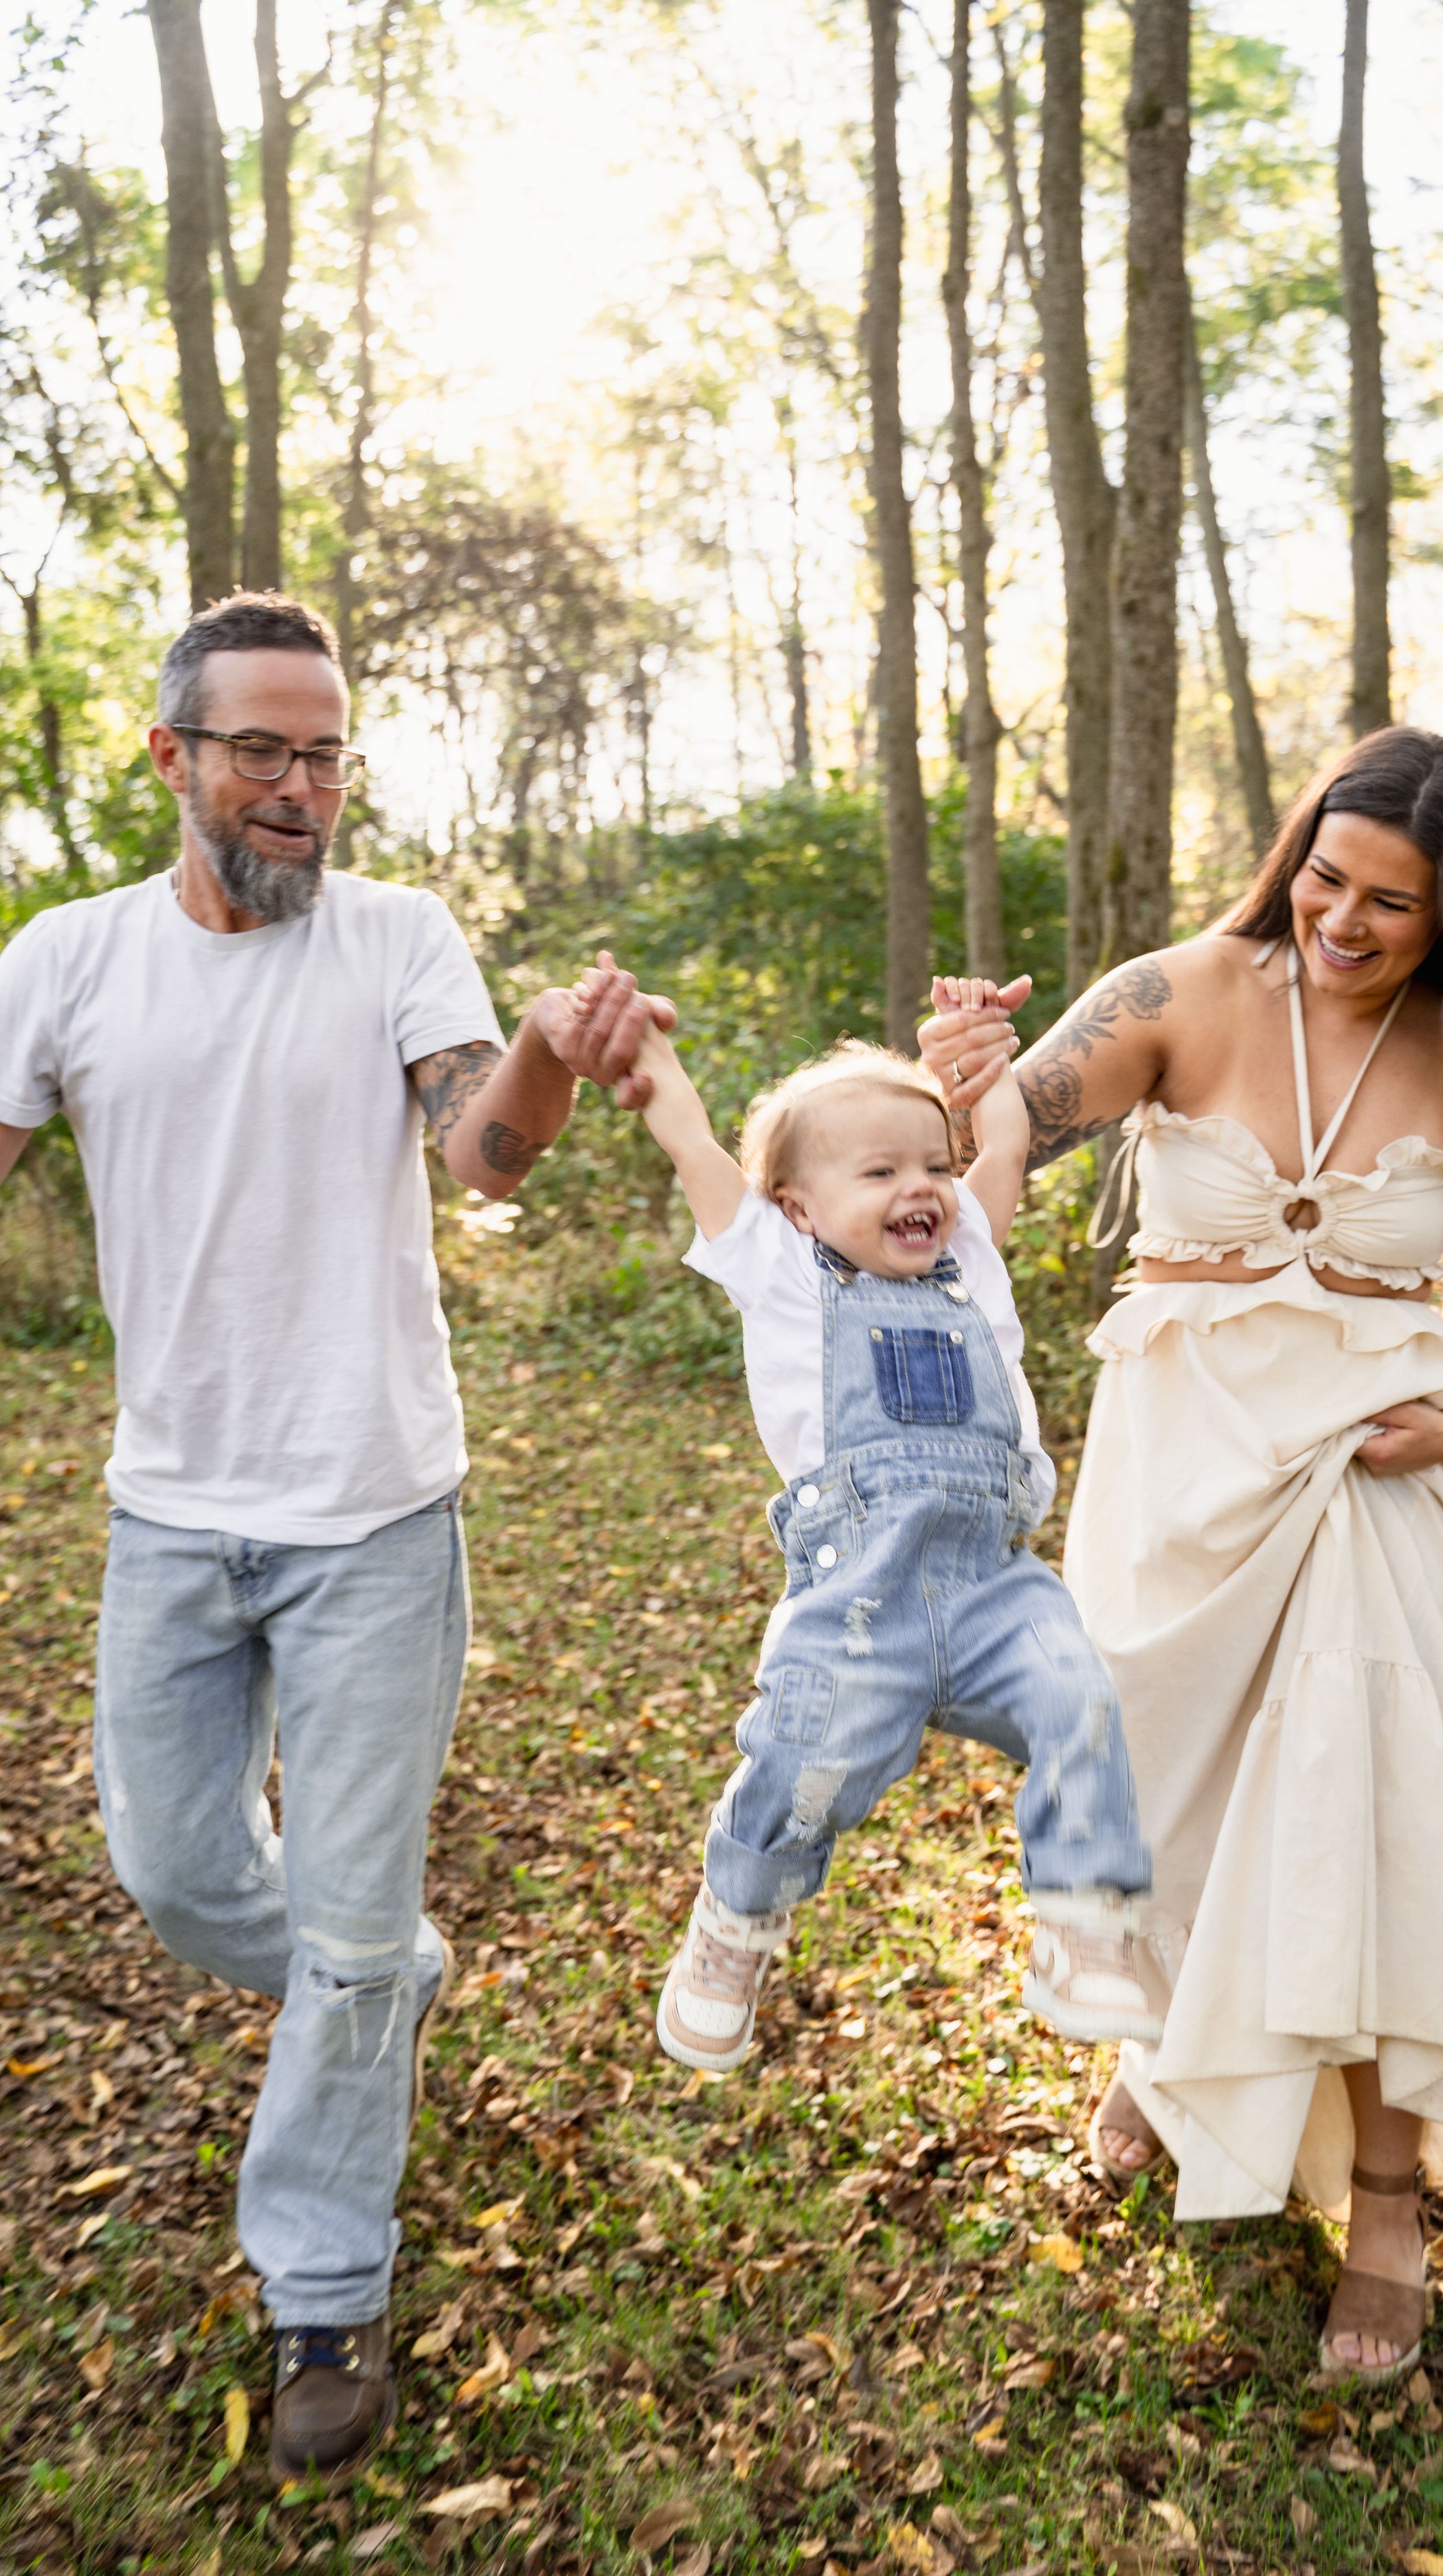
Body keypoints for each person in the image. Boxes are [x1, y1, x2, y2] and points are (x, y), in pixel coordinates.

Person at [0, 592, 667, 2480]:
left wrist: (542, 1049)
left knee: (354, 1923)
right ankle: (371, 1966)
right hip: (167, 1511)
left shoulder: (396, 938)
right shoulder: (61, 961)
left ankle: (325, 2278)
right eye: (263, 752)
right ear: (175, 759)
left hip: (377, 1506)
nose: (300, 788)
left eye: (325, 754)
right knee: (170, 1862)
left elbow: (484, 1149)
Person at [919, 729, 1443, 2386]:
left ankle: (1382, 2194)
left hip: (1371, 1465)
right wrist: (967, 1104)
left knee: (1360, 1803)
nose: (1342, 923)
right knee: (1171, 1794)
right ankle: (1171, 2060)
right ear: (1290, 853)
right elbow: (1015, 1121)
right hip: (1176, 1466)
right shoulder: (1183, 990)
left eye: (1390, 904)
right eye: (1323, 878)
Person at [570, 967, 1156, 2077]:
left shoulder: (969, 1255)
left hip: (996, 1583)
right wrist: (647, 1058)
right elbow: (696, 1147)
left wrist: (981, 1046)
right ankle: (734, 1928)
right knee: (797, 1767)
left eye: (933, 1165)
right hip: (854, 1602)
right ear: (797, 1206)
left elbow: (1011, 1142)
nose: (922, 1188)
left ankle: (1085, 1921)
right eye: (880, 1170)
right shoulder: (783, 1271)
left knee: (1079, 1696)